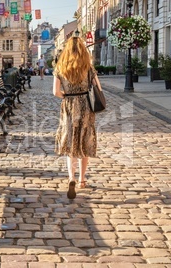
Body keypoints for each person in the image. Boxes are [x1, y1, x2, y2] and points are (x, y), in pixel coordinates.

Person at [53, 36, 102, 200]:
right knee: (84, 141)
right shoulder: (88, 67)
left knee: (70, 142)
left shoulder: (61, 67)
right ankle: (82, 179)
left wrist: (66, 95)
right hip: (86, 106)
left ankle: (71, 178)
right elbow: (98, 88)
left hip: (68, 106)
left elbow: (55, 92)